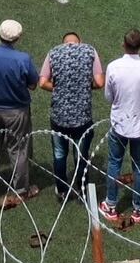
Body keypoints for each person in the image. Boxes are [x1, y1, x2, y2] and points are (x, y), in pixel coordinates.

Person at [0, 19, 39, 207]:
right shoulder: (23, 59)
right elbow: (33, 84)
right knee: (18, 149)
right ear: (18, 37)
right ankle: (20, 189)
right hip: (16, 111)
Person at [39, 29, 103, 201]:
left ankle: (61, 190)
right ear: (78, 41)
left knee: (60, 154)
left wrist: (60, 88)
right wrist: (83, 86)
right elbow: (99, 82)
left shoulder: (53, 52)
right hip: (82, 117)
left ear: (64, 42)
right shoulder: (89, 51)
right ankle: (82, 189)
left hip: (59, 116)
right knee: (81, 155)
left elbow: (43, 82)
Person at [103, 28, 140, 226]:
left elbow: (108, 97)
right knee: (139, 166)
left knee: (114, 163)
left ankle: (110, 204)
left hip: (119, 122)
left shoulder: (113, 66)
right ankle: (139, 206)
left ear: (124, 45)